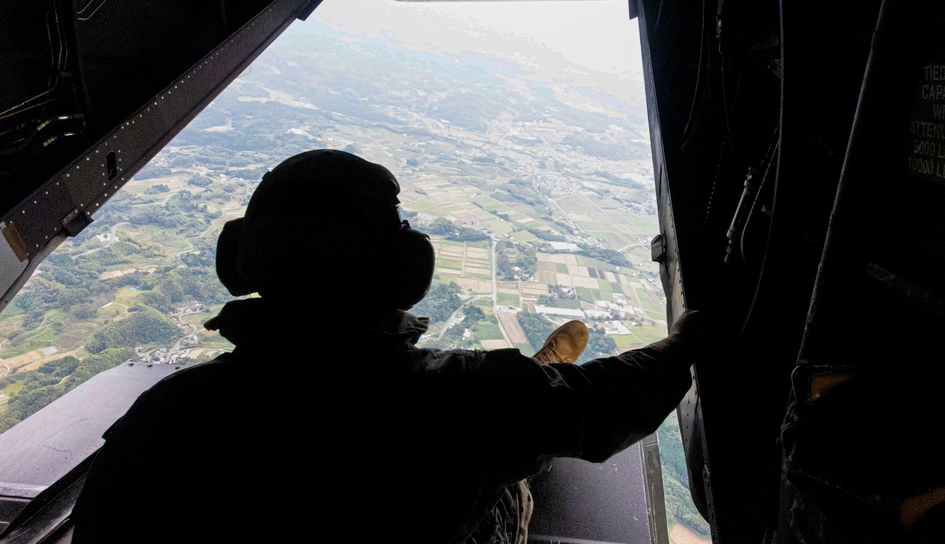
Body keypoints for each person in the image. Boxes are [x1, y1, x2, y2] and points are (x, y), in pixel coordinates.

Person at [70, 149, 714, 543]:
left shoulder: (168, 411)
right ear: (401, 270)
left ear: (248, 265)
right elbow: (601, 405)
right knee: (514, 471)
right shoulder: (456, 396)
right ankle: (533, 397)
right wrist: (684, 343)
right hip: (484, 431)